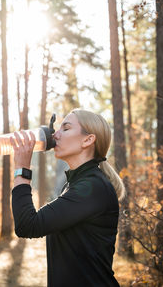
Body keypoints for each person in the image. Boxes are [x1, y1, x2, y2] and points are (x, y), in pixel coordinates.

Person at [11, 109, 125, 287]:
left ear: (88, 140)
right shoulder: (76, 184)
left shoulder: (92, 187)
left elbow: (27, 225)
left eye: (65, 128)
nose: (55, 134)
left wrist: (22, 169)